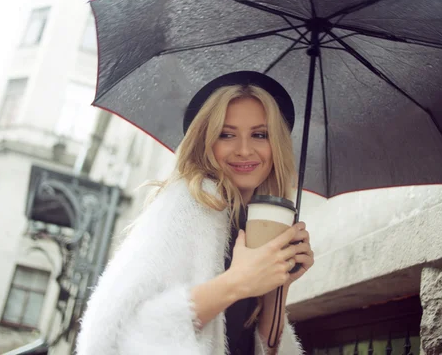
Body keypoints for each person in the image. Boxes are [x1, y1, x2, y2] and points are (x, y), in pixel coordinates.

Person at [76, 71, 315, 355]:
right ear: (206, 142)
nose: (244, 150)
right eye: (226, 135)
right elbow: (116, 329)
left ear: (276, 145)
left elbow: (259, 347)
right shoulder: (186, 205)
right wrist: (237, 282)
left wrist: (278, 284)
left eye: (260, 135)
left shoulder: (257, 221)